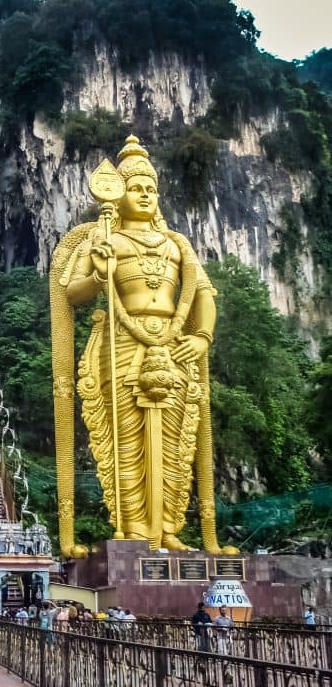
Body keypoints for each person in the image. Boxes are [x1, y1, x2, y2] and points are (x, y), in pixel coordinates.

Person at [51, 134, 238, 556]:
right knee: (125, 438)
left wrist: (202, 336)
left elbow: (203, 295)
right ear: (117, 195)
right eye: (136, 188)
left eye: (151, 189)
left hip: (174, 346)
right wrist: (99, 275)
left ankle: (169, 528)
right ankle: (134, 527)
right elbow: (70, 294)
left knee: (177, 439)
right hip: (120, 344)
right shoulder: (104, 240)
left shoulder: (177, 245)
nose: (146, 195)